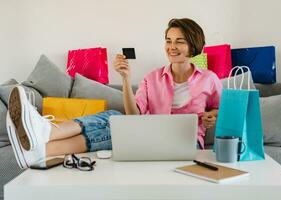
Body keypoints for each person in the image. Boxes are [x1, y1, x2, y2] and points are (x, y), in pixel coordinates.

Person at [7, 18, 222, 169]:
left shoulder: (209, 79)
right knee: (115, 120)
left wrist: (214, 115)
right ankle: (43, 147)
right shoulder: (152, 78)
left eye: (179, 41)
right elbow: (133, 116)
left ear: (193, 45)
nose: (171, 47)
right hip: (149, 138)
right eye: (168, 40)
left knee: (114, 123)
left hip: (187, 142)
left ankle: (45, 133)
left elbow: (220, 110)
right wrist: (126, 79)